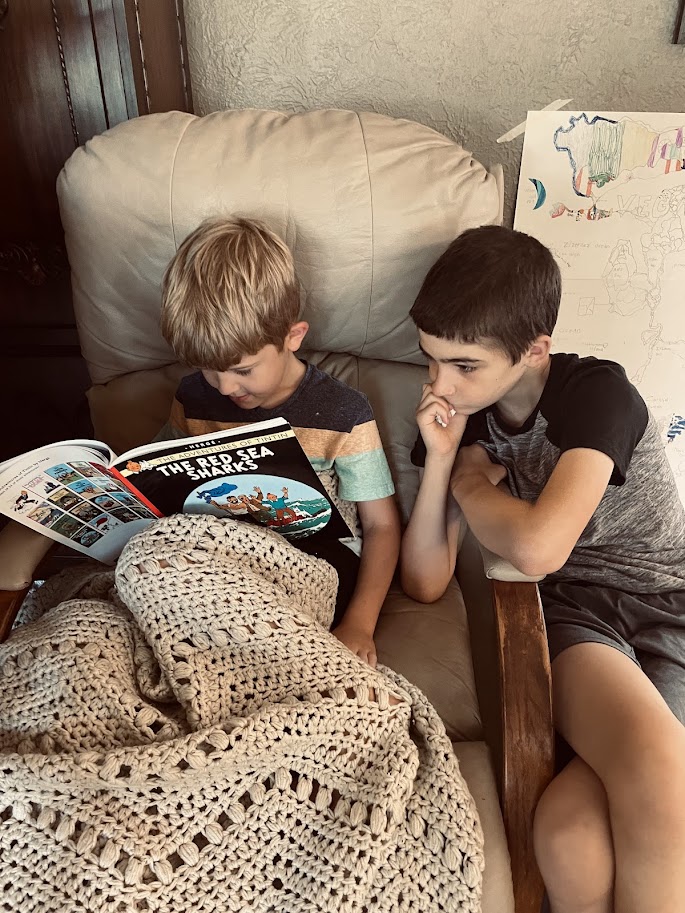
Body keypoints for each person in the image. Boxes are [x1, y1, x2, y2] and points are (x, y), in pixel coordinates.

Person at [400, 225, 685, 913]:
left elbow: (537, 544)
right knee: (597, 820)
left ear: (534, 351)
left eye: (464, 365)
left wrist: (473, 486)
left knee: (573, 830)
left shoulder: (596, 393)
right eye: (429, 361)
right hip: (573, 612)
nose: (440, 385)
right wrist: (442, 461)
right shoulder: (455, 419)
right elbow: (425, 580)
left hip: (667, 598)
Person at [156, 216, 399, 667]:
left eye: (243, 370)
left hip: (312, 562)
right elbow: (159, 474)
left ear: (293, 337)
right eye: (211, 369)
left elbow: (382, 527)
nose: (226, 388)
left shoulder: (344, 414)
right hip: (212, 554)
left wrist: (360, 623)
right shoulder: (192, 396)